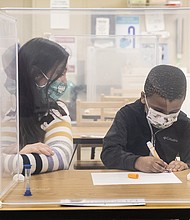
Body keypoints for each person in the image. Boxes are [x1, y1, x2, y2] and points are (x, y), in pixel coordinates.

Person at [101, 64, 190, 173]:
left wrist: (184, 165)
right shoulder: (127, 115)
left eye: (173, 112)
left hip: (165, 184)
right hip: (128, 180)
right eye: (158, 111)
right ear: (143, 97)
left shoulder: (183, 123)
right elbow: (109, 153)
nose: (165, 118)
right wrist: (137, 162)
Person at [3, 37, 74, 175]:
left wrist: (16, 157)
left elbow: (60, 157)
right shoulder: (12, 115)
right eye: (60, 73)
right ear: (36, 75)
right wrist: (18, 158)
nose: (64, 80)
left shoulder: (56, 112)